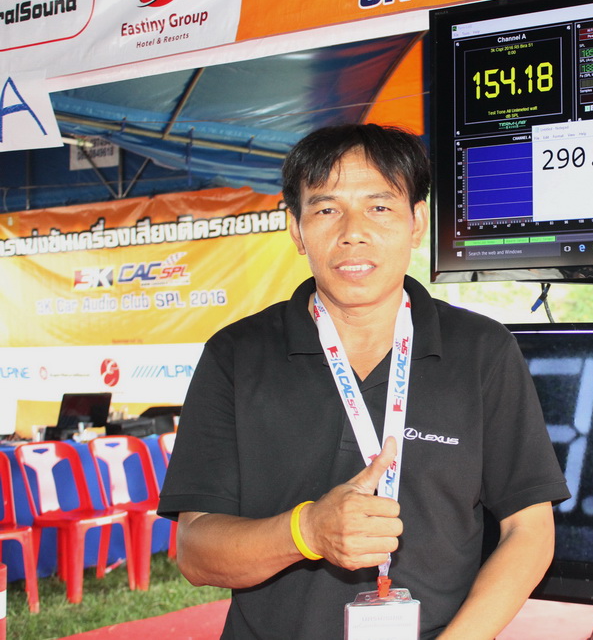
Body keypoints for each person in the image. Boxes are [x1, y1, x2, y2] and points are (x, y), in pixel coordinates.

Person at [157, 123, 570, 639]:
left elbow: (529, 529)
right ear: (296, 229)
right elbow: (196, 552)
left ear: (417, 221)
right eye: (326, 210)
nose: (353, 231)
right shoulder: (236, 354)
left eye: (379, 206)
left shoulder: (482, 350)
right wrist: (305, 531)